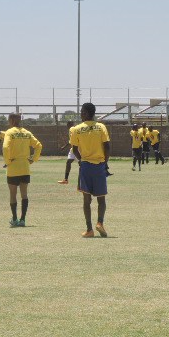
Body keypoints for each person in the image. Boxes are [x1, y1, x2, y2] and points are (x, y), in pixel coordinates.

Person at [70, 102, 111, 238]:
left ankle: (89, 230)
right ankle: (100, 223)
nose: (81, 114)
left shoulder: (77, 129)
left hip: (86, 166)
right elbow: (107, 146)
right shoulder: (101, 127)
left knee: (86, 200)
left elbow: (75, 149)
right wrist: (105, 162)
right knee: (101, 199)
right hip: (99, 165)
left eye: (82, 111)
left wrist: (81, 160)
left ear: (87, 113)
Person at [2, 113, 42, 227]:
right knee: (24, 194)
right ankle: (23, 219)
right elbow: (39, 145)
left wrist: (8, 161)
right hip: (25, 167)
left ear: (11, 120)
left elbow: (5, 147)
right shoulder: (27, 133)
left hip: (13, 168)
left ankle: (14, 219)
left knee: (13, 194)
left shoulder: (10, 132)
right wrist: (34, 159)